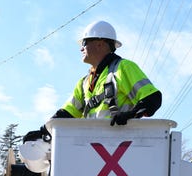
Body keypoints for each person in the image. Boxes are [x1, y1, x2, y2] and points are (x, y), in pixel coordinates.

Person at [25, 20, 162, 141]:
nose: (81, 48)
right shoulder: (84, 83)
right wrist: (44, 130)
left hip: (120, 146)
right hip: (92, 148)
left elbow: (152, 99)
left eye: (84, 43)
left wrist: (130, 115)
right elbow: (67, 114)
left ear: (100, 44)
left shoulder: (124, 67)